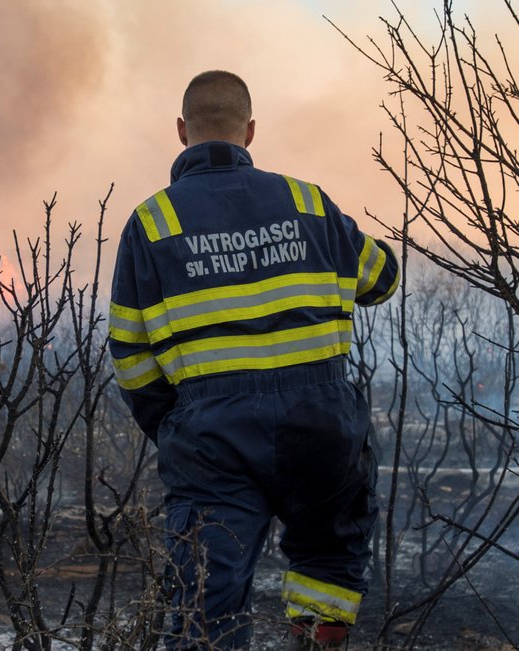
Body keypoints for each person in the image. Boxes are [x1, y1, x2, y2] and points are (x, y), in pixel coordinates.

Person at [108, 71, 399, 650]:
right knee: (328, 565)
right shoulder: (306, 200)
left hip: (212, 438)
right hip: (320, 425)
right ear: (252, 131)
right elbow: (382, 278)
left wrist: (173, 428)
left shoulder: (152, 223)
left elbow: (132, 356)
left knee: (205, 606)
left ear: (180, 131)